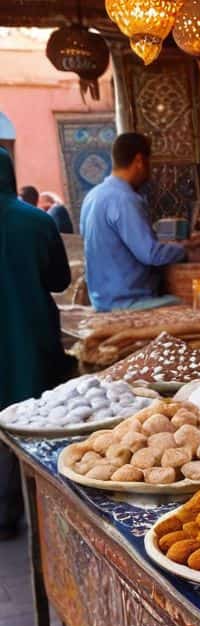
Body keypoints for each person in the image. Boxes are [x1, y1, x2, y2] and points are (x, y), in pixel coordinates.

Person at [0, 148, 72, 538]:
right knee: (39, 422)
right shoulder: (36, 221)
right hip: (30, 335)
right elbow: (60, 280)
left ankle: (4, 516)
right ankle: (52, 513)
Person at [80, 132, 191, 311]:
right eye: (149, 163)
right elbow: (151, 254)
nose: (150, 170)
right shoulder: (124, 199)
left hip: (101, 301)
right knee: (191, 305)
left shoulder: (93, 195)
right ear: (139, 161)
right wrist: (186, 250)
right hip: (125, 303)